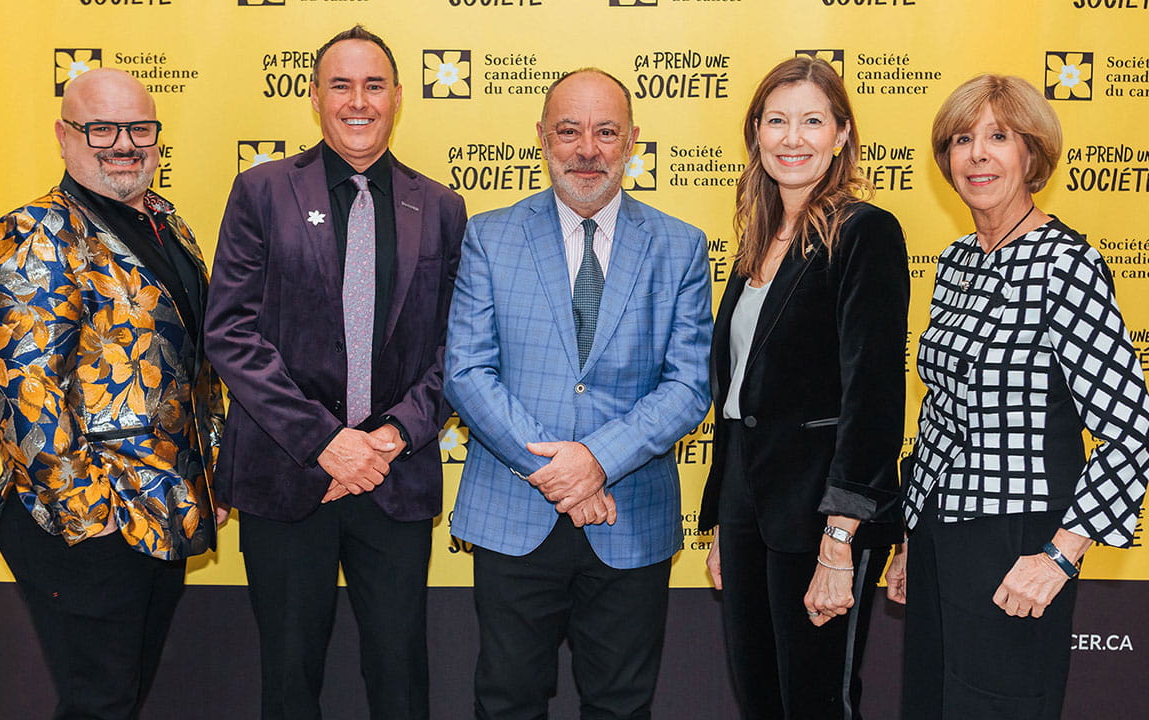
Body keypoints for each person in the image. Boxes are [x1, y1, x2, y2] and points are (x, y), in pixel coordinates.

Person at [204, 26, 466, 720]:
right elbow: (230, 331)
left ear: (398, 98)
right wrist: (326, 441)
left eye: (374, 85)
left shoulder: (439, 207)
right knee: (289, 681)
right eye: (342, 85)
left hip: (393, 479)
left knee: (401, 679)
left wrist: (387, 439)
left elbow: (455, 347)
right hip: (287, 479)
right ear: (315, 96)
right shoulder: (261, 192)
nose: (359, 101)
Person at [445, 68, 712, 719]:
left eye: (605, 132)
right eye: (569, 131)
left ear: (631, 141)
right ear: (542, 137)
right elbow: (467, 372)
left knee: (621, 705)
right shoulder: (489, 235)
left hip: (630, 517)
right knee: (506, 700)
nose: (587, 149)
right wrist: (559, 471)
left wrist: (595, 462)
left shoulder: (680, 246)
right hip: (514, 513)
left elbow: (689, 384)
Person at [885, 74, 1149, 719]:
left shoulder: (1067, 266)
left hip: (1018, 547)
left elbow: (1130, 431)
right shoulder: (956, 262)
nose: (976, 155)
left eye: (998, 137)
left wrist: (1060, 556)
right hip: (941, 540)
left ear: (1031, 153)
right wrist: (912, 536)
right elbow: (943, 417)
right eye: (961, 140)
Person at [0, 68, 224, 719]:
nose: (124, 143)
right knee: (101, 702)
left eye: (140, 128)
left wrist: (211, 479)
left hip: (164, 509)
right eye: (101, 128)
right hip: (87, 523)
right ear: (65, 137)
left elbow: (197, 368)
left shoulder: (170, 226)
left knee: (123, 695)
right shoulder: (37, 231)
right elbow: (24, 391)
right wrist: (89, 519)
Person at [697, 56, 909, 720]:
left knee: (816, 704)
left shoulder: (865, 233)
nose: (793, 139)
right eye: (778, 121)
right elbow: (740, 397)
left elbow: (872, 398)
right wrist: (723, 523)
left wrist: (841, 537)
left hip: (823, 513)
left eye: (813, 121)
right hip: (747, 508)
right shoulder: (758, 240)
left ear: (842, 134)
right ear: (756, 132)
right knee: (760, 700)